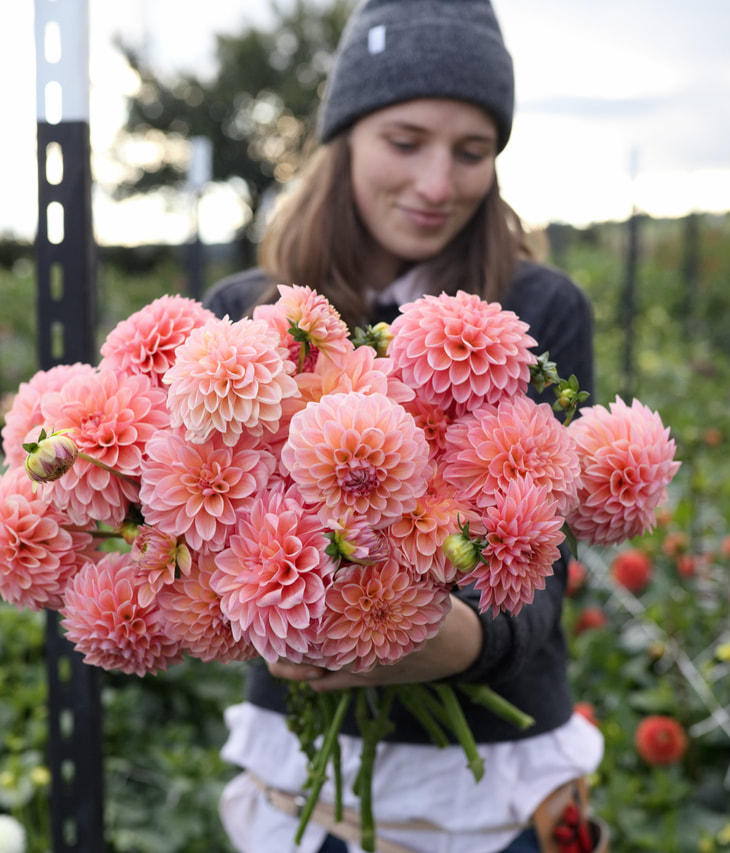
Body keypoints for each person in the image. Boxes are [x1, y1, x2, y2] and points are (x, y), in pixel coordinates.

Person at [202, 0, 603, 850]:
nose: (437, 185)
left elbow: (542, 560)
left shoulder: (538, 310)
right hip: (296, 788)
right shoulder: (243, 315)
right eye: (406, 140)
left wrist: (459, 641)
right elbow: (201, 544)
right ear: (344, 134)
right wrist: (259, 616)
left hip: (491, 794)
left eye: (472, 151)